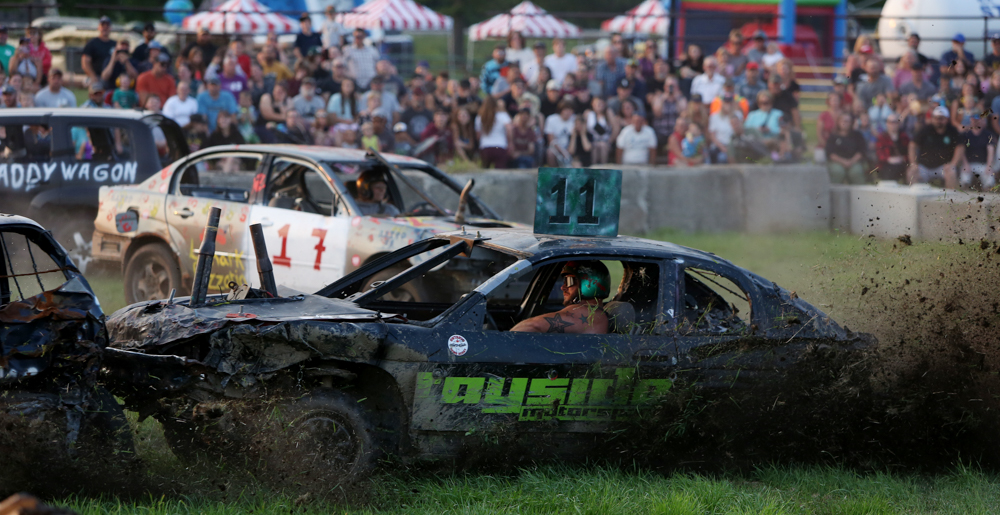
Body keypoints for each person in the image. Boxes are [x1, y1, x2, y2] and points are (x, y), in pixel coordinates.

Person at [510, 261, 610, 334]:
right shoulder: (598, 314)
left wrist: (506, 340)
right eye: (564, 281)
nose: (563, 287)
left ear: (588, 285)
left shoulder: (587, 313)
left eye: (569, 281)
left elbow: (533, 325)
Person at [908, 106, 963, 189]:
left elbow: (960, 147)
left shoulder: (952, 131)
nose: (938, 121)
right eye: (936, 118)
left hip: (943, 167)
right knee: (911, 172)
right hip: (924, 167)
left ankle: (949, 199)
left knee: (951, 172)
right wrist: (913, 163)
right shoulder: (926, 129)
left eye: (941, 118)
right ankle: (914, 200)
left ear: (946, 119)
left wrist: (953, 164)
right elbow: (912, 145)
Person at [825, 113, 868, 184]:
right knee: (838, 172)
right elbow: (830, 153)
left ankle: (860, 194)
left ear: (851, 123)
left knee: (856, 172)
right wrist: (844, 162)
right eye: (843, 121)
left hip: (854, 161)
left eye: (847, 121)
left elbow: (861, 151)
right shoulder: (833, 136)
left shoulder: (857, 135)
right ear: (838, 122)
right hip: (837, 162)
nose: (845, 123)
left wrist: (851, 161)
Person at [960, 114, 996, 190]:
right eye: (974, 120)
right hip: (968, 164)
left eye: (978, 120)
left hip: (983, 165)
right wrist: (965, 164)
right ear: (971, 121)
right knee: (964, 179)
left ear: (983, 121)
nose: (976, 122)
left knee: (989, 181)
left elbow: (991, 151)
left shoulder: (988, 134)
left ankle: (987, 198)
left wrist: (989, 166)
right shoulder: (965, 134)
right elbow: (961, 150)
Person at [476, 96, 511, 168]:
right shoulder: (502, 115)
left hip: (485, 147)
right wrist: (510, 142)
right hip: (500, 147)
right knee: (500, 173)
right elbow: (509, 129)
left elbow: (478, 135)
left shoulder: (479, 117)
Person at [81, 16, 116, 87]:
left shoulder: (114, 44)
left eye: (107, 26)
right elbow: (85, 62)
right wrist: (92, 76)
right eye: (103, 25)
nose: (105, 28)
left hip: (112, 77)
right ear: (99, 27)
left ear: (110, 28)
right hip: (97, 77)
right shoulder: (92, 43)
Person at [875, 115, 910, 183]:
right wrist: (889, 159)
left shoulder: (904, 137)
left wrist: (903, 158)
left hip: (902, 164)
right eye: (890, 122)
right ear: (887, 124)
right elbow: (879, 153)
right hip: (887, 165)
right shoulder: (882, 137)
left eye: (895, 122)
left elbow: (909, 152)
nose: (893, 124)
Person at [545, 101, 575, 166]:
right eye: (566, 110)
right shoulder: (551, 119)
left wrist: (568, 151)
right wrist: (563, 152)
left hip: (569, 148)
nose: (568, 112)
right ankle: (552, 171)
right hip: (556, 148)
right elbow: (551, 141)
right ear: (561, 110)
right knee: (550, 152)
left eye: (570, 110)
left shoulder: (574, 120)